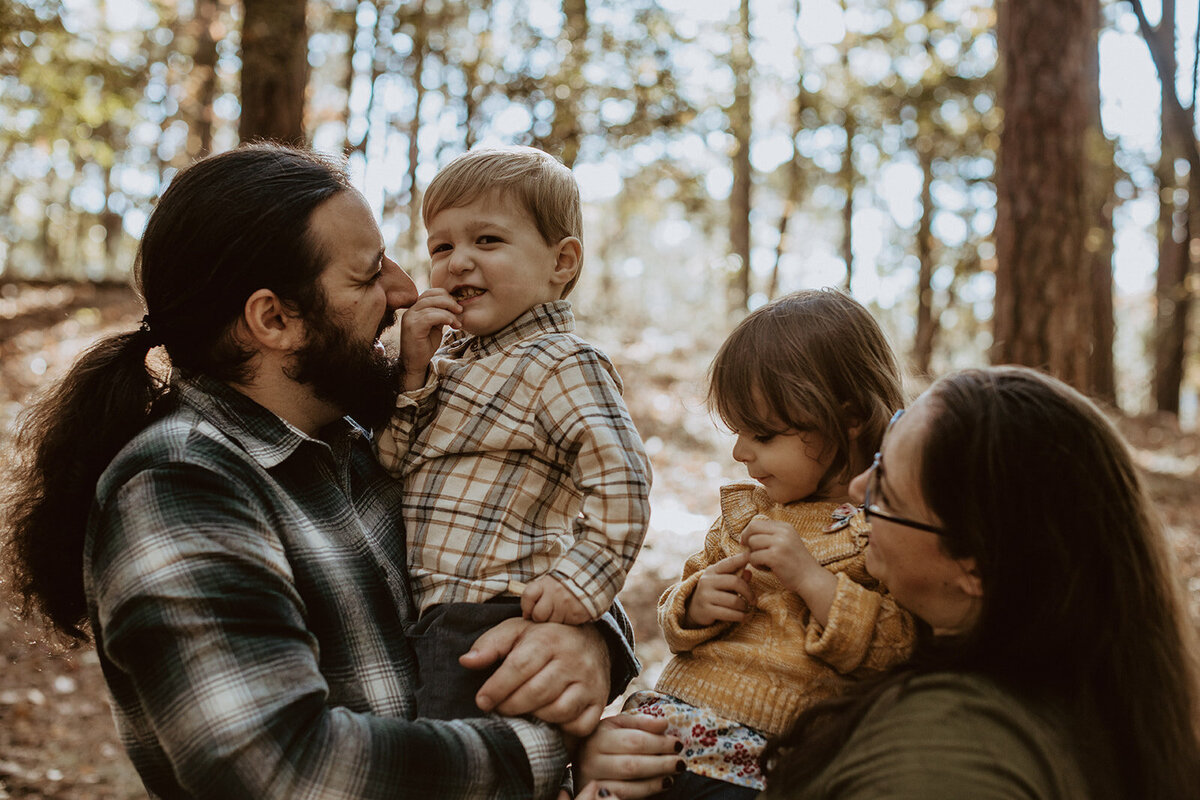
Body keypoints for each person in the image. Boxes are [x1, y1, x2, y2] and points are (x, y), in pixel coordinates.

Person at [3, 143, 639, 800]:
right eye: (368, 277)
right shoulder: (177, 487)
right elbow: (281, 768)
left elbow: (518, 549)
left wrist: (590, 638)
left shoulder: (369, 439)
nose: (408, 290)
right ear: (274, 319)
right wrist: (549, 751)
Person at [756, 366, 1200, 799]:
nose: (857, 488)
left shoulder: (942, 760)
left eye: (886, 490)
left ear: (973, 566)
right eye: (877, 460)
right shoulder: (1092, 694)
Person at [375, 146, 651, 719]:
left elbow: (622, 477)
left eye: (488, 241)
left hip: (496, 611)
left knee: (469, 769)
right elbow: (391, 463)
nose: (458, 262)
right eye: (442, 246)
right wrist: (413, 375)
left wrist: (582, 582)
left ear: (562, 262)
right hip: (431, 617)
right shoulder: (448, 367)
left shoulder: (560, 362)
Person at [622, 289, 916, 798]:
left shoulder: (881, 526)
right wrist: (695, 603)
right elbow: (675, 611)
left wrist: (811, 579)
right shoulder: (748, 513)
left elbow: (896, 646)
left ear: (846, 417)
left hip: (759, 762)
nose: (738, 452)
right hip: (665, 727)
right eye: (738, 432)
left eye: (762, 435)